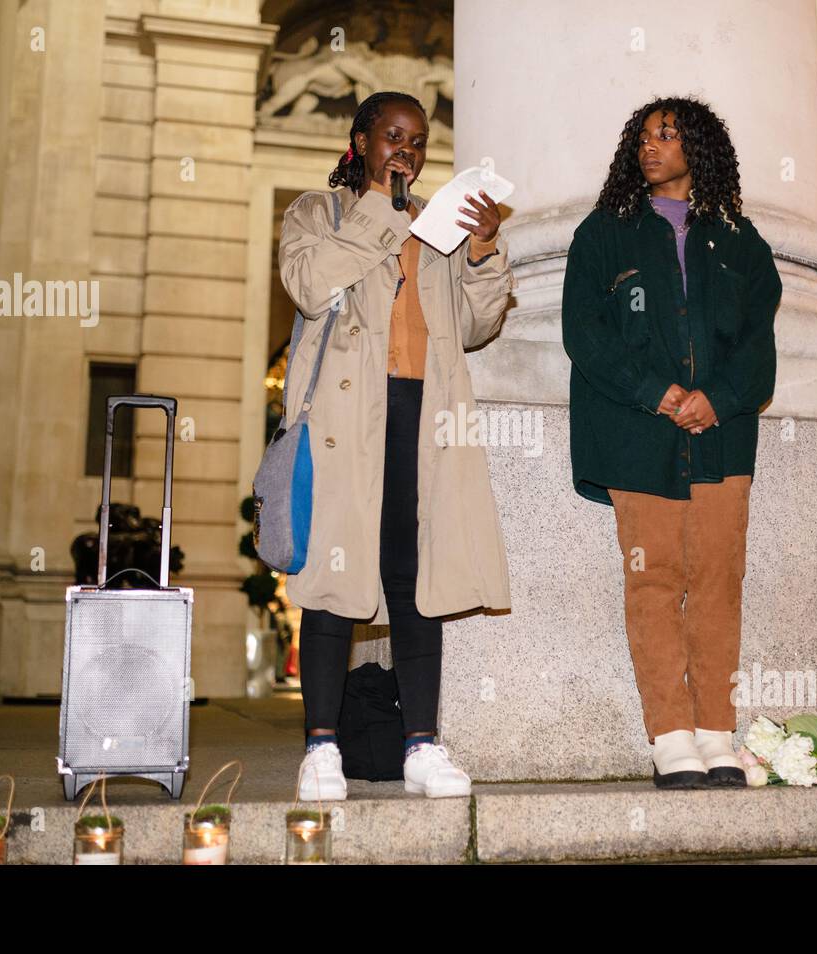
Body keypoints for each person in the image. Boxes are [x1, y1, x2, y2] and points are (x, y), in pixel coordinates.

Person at [277, 90, 514, 800]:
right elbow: (309, 284)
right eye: (392, 137)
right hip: (345, 422)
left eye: (417, 142)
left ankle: (421, 743)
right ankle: (320, 746)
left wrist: (481, 250)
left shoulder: (434, 228)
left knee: (420, 580)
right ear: (361, 141)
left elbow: (475, 325)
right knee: (331, 579)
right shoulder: (317, 214)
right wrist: (383, 211)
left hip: (424, 413)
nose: (405, 152)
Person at [562, 95, 783, 789]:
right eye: (643, 137)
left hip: (721, 439)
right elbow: (583, 332)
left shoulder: (741, 241)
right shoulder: (605, 232)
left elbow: (758, 344)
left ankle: (717, 730)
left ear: (699, 148)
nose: (649, 148)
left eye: (666, 135)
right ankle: (670, 736)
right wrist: (655, 391)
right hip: (637, 436)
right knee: (653, 583)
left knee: (718, 581)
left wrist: (717, 399)